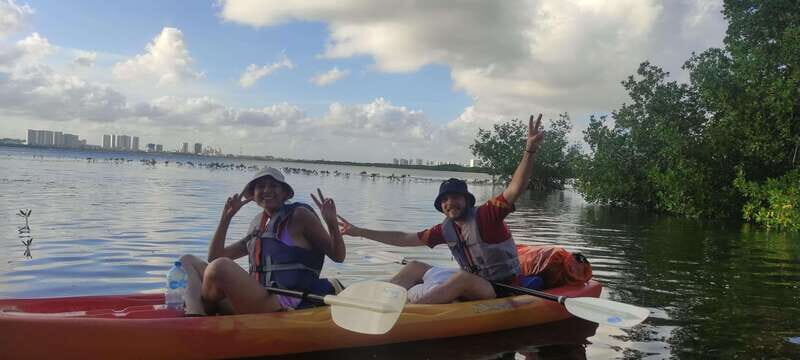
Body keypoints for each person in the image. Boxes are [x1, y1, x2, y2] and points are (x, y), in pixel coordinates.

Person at [339, 114, 545, 304]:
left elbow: (515, 188)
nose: (449, 203)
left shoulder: (487, 215)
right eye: (445, 200)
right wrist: (359, 231)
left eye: (455, 197)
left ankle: (412, 314)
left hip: (502, 288)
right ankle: (377, 304)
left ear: (466, 201)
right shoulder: (446, 229)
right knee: (414, 266)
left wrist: (530, 150)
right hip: (474, 281)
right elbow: (403, 238)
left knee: (462, 278)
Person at [179, 166, 345, 315]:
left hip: (281, 303)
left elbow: (338, 256)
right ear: (253, 195)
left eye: (273, 185)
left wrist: (332, 224)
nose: (266, 190)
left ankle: (201, 312)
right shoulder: (258, 224)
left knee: (220, 267)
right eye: (260, 186)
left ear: (285, 193)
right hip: (254, 298)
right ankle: (195, 313)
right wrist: (226, 218)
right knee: (187, 261)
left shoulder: (300, 216)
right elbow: (214, 256)